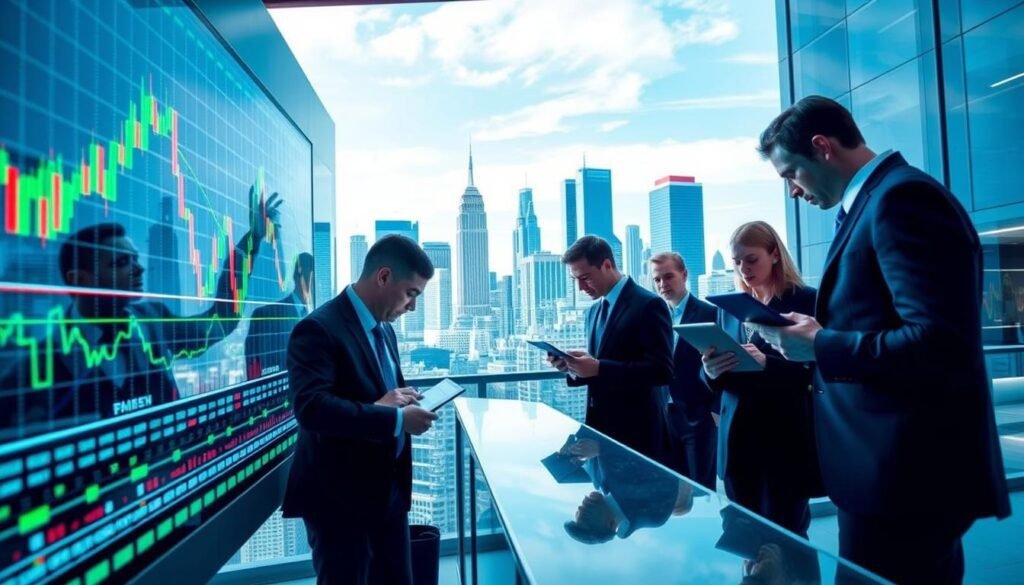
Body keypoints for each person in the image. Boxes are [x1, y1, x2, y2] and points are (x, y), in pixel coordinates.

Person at [752, 95, 1010, 584]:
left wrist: (821, 345)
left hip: (906, 480)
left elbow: (940, 342)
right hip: (886, 475)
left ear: (822, 147)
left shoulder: (902, 200)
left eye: (790, 174)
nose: (791, 191)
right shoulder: (874, 204)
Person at [0, 189, 282, 437]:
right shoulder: (32, 371)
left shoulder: (152, 321)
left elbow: (220, 322)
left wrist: (252, 241)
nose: (139, 268)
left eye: (136, 258)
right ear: (80, 279)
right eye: (122, 262)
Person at [282, 234, 439, 585]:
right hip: (340, 501)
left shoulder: (385, 331)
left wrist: (400, 399)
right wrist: (395, 417)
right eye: (411, 293)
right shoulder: (318, 329)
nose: (412, 306)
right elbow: (311, 408)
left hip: (388, 495)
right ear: (383, 277)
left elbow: (376, 395)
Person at [700, 221, 822, 537]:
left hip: (783, 443)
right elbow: (719, 376)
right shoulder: (729, 309)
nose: (743, 269)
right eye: (737, 262)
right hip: (736, 444)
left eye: (751, 259)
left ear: (774, 254)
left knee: (788, 541)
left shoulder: (806, 303)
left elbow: (818, 374)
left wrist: (765, 362)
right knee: (744, 542)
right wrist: (710, 371)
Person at [547, 235, 674, 461]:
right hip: (600, 439)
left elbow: (661, 371)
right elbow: (600, 366)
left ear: (606, 265)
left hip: (639, 440)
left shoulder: (649, 305)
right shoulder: (592, 312)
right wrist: (571, 367)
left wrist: (598, 368)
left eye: (585, 278)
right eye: (575, 279)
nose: (580, 287)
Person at [649, 251, 719, 490]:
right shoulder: (654, 316)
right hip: (664, 418)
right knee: (670, 491)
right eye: (657, 280)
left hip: (698, 418)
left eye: (668, 277)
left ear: (684, 275)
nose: (662, 285)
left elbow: (724, 364)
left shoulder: (710, 313)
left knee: (701, 491)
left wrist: (715, 410)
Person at [562, 426, 696, 544]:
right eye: (586, 517)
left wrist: (570, 452)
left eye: (578, 512)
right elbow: (664, 470)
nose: (580, 508)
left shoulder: (600, 483)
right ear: (610, 524)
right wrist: (602, 449)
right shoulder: (650, 512)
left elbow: (586, 458)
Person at [245, 252, 314, 379]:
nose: (315, 284)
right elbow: (253, 365)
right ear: (299, 275)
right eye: (311, 276)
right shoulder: (266, 316)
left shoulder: (315, 318)